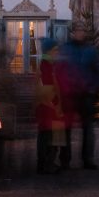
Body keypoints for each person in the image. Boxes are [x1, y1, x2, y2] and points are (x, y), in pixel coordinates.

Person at [59, 23, 99, 170]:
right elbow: (59, 70)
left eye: (82, 30)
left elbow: (98, 71)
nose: (80, 33)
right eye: (78, 30)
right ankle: (65, 159)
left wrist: (93, 88)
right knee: (66, 127)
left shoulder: (90, 50)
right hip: (69, 94)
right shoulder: (66, 49)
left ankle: (87, 159)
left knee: (88, 128)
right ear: (72, 33)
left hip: (86, 93)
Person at [35, 38, 66, 174]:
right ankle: (46, 164)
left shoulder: (49, 64)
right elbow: (47, 88)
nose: (57, 52)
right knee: (49, 136)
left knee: (48, 136)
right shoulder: (46, 65)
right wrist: (56, 104)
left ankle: (46, 163)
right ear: (49, 50)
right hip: (49, 107)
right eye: (55, 49)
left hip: (48, 106)